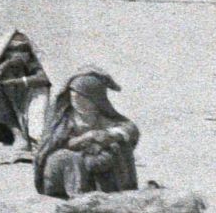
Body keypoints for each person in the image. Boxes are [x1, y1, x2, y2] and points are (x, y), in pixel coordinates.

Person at [34, 66, 140, 199]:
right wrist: (85, 138)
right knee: (67, 158)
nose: (77, 102)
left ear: (95, 99)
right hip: (63, 172)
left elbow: (130, 129)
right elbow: (52, 145)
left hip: (93, 164)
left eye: (83, 98)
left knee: (120, 147)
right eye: (74, 98)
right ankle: (79, 196)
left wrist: (111, 136)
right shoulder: (64, 119)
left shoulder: (102, 117)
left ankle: (117, 190)